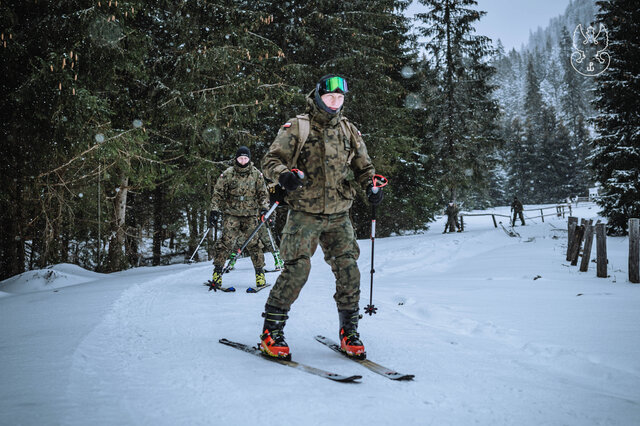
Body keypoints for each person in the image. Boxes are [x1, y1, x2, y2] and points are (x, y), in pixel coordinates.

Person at [257, 74, 381, 361]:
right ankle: (271, 332)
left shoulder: (349, 130)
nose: (335, 102)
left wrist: (372, 187)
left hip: (339, 214)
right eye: (329, 97)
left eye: (339, 98)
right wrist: (284, 176)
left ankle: (349, 331)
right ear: (318, 97)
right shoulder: (298, 127)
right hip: (304, 214)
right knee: (297, 270)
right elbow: (270, 161)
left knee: (349, 270)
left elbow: (366, 168)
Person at [208, 146, 270, 289]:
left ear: (249, 159)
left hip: (250, 216)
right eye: (240, 158)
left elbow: (263, 194)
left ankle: (260, 275)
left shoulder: (256, 175)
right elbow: (218, 194)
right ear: (236, 158)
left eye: (245, 158)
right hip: (232, 215)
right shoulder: (228, 174)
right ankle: (217, 274)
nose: (243, 161)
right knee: (225, 244)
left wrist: (264, 210)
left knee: (254, 245)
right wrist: (214, 211)